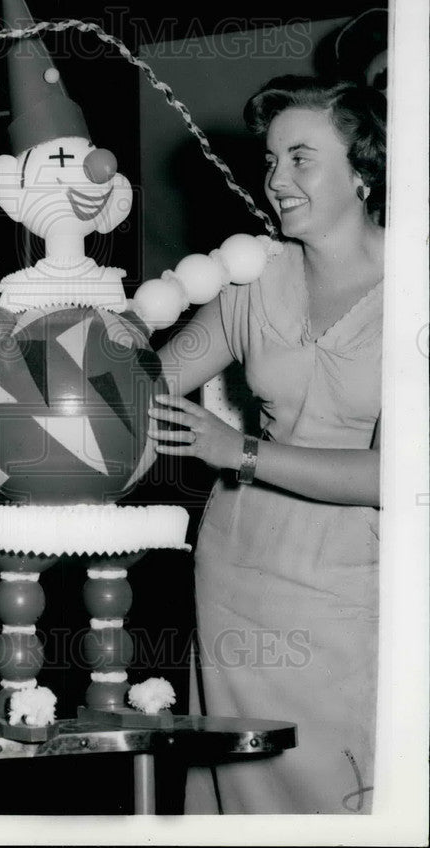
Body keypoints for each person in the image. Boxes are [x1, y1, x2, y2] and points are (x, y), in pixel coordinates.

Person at [153, 76, 385, 814]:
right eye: (269, 161)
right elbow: (148, 382)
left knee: (339, 785)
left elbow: (398, 475)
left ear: (363, 169)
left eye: (300, 158)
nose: (274, 180)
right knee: (237, 777)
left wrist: (238, 452)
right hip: (237, 573)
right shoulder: (252, 278)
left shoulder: (415, 290)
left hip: (352, 582)